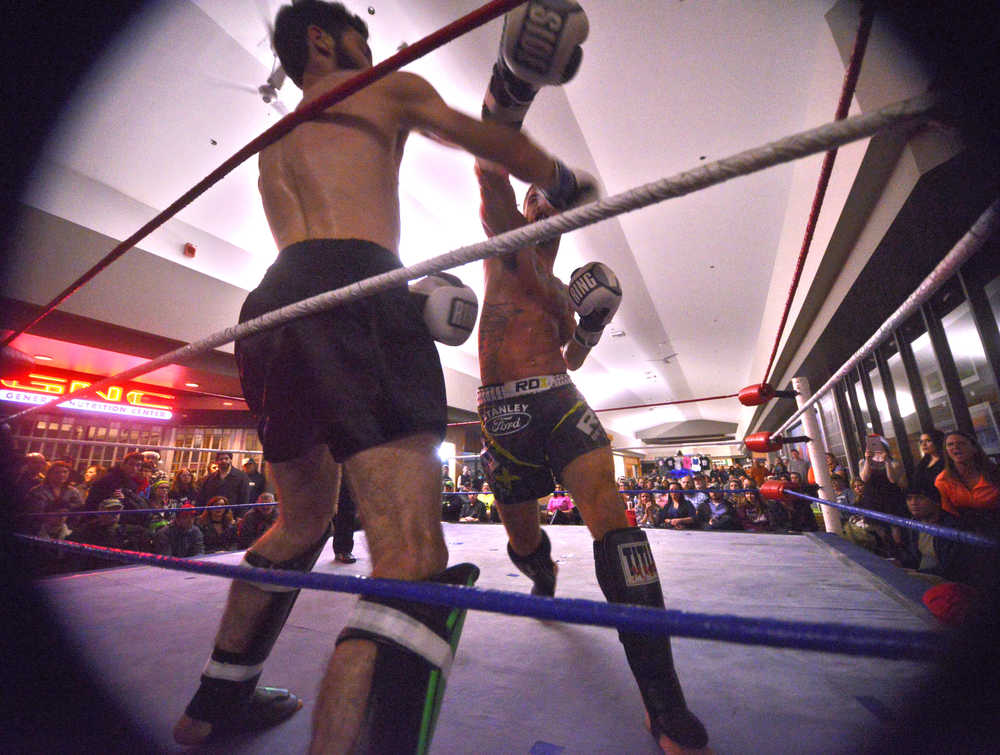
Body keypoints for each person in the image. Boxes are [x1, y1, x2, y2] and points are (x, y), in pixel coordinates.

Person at [174, 2, 598, 750]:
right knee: (407, 554)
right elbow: (486, 139)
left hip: (268, 308)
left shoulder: (273, 137)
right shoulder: (384, 89)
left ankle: (213, 702)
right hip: (353, 287)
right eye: (360, 38)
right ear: (323, 39)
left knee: (301, 519)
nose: (371, 52)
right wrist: (562, 179)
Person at [475, 168, 707, 748]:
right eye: (538, 195)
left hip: (559, 400)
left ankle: (664, 701)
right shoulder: (504, 248)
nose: (546, 204)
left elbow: (573, 359)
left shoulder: (558, 291)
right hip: (503, 415)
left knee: (616, 523)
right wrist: (512, 110)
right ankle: (543, 570)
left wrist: (593, 325)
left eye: (556, 198)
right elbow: (488, 171)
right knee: (523, 540)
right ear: (529, 204)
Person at [196, 452, 250, 517]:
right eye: (221, 459)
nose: (224, 461)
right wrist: (201, 514)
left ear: (230, 460)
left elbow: (244, 498)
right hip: (211, 516)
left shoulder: (241, 477)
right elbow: (202, 497)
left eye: (226, 458)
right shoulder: (210, 478)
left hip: (232, 516)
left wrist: (240, 516)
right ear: (217, 461)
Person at [911, 428, 946, 493]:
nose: (923, 444)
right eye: (921, 441)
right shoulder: (923, 463)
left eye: (928, 441)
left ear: (937, 441)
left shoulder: (947, 461)